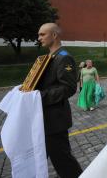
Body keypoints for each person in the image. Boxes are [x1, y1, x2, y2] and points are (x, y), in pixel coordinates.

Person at [36, 23, 82, 178]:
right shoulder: (49, 58)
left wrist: (39, 96)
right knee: (52, 158)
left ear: (54, 35)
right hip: (45, 117)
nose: (39, 38)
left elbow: (68, 88)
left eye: (43, 34)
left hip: (55, 119)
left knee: (63, 161)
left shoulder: (64, 57)